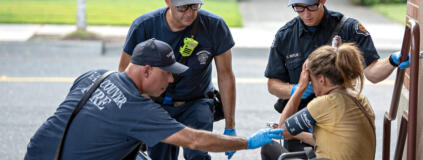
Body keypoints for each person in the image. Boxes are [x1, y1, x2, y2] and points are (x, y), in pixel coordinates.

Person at [25, 39, 284, 160]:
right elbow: (194, 139)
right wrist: (248, 141)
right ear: (147, 70)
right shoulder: (137, 109)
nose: (171, 81)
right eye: (168, 74)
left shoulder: (95, 76)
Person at [264, 0, 410, 153]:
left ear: (323, 1)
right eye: (299, 8)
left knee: (270, 148)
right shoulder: (285, 35)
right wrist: (295, 90)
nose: (306, 14)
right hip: (302, 119)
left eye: (311, 7)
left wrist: (392, 60)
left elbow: (372, 73)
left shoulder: (348, 28)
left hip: (339, 117)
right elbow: (272, 84)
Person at [117, 0, 237, 159]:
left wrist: (230, 126)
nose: (189, 13)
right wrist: (141, 112)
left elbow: (226, 75)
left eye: (195, 6)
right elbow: (125, 73)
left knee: (198, 156)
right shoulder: (144, 25)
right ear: (168, 2)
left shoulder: (214, 26)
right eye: (182, 7)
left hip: (197, 101)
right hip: (157, 104)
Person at [262, 43, 376, 160]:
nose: (309, 84)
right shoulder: (360, 98)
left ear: (322, 80)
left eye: (310, 79)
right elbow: (331, 141)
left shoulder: (325, 103)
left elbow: (282, 131)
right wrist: (297, 134)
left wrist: (300, 88)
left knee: (268, 147)